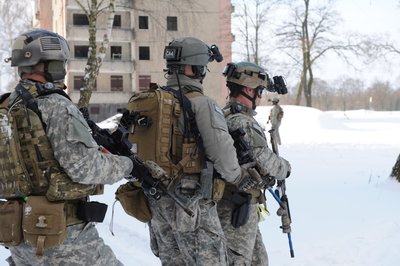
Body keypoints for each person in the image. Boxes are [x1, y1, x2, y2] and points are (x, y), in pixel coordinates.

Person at [0, 29, 133, 265]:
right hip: (63, 238)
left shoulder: (7, 107)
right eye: (60, 62)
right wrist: (126, 165)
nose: (63, 68)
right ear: (47, 64)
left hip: (19, 236)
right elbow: (84, 168)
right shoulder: (55, 105)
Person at [142, 37, 257, 266]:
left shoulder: (150, 101)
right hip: (190, 204)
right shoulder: (202, 103)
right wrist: (240, 177)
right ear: (195, 68)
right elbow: (221, 151)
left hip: (156, 201)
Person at [219, 61, 292, 265]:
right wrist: (285, 168)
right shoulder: (242, 121)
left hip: (240, 205)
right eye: (259, 91)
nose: (260, 97)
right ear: (248, 89)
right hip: (235, 207)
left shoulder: (224, 115)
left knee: (258, 260)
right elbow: (266, 161)